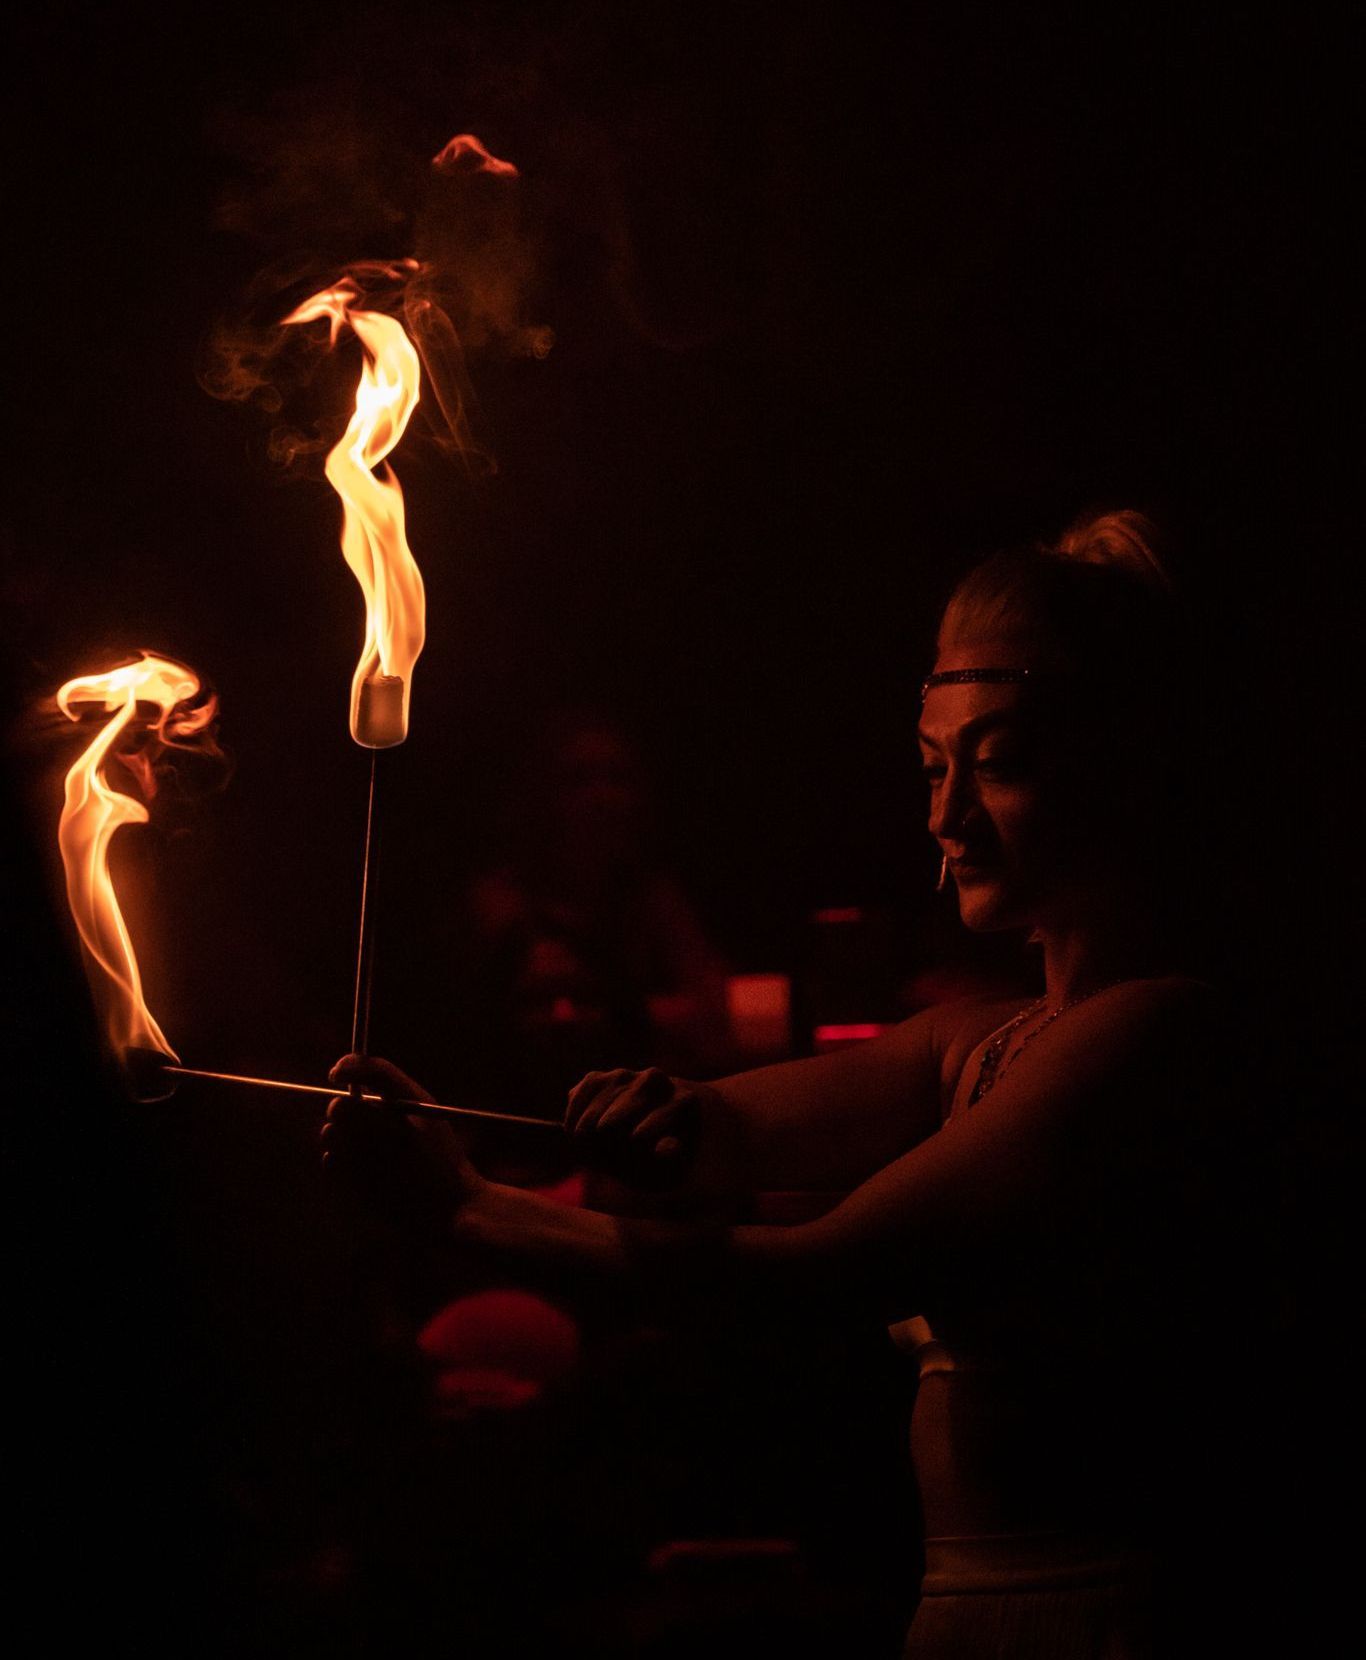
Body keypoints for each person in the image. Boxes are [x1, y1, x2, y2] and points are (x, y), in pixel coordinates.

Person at [324, 512, 1259, 1657]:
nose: (945, 815)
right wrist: (669, 1123)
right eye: (932, 765)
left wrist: (470, 1210)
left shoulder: (1152, 1037)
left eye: (1002, 761)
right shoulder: (975, 1042)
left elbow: (814, 1275)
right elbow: (728, 1136)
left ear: (1126, 766)